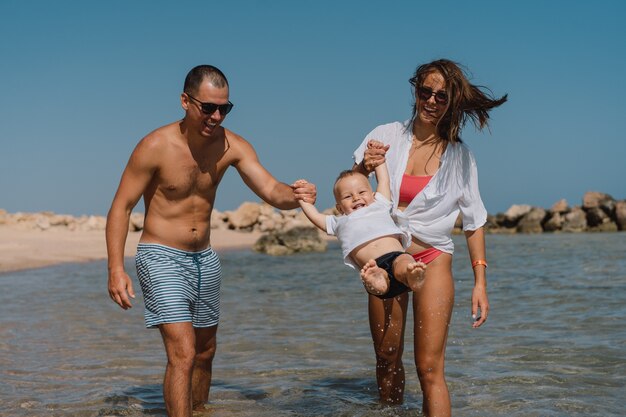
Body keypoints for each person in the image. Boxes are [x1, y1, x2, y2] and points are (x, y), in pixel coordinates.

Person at [105, 65, 316, 417]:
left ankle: (198, 410)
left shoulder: (232, 146)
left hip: (204, 259)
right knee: (183, 352)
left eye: (224, 108)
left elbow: (270, 189)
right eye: (208, 107)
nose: (216, 116)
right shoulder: (155, 146)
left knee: (205, 351)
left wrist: (297, 194)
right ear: (185, 101)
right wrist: (115, 267)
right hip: (160, 256)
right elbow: (121, 207)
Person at [352, 59, 507, 416]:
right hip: (386, 258)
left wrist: (480, 282)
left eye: (441, 95)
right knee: (387, 356)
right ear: (415, 91)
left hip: (433, 260)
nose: (432, 101)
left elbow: (474, 222)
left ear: (451, 102)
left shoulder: (461, 158)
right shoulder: (386, 136)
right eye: (426, 92)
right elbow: (351, 190)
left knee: (430, 368)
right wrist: (365, 166)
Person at [296, 140, 427, 297]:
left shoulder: (380, 204)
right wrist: (302, 197)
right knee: (378, 277)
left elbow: (384, 181)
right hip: (372, 267)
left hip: (396, 257)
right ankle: (378, 282)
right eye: (347, 196)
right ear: (339, 208)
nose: (356, 198)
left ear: (372, 195)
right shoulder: (339, 222)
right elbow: (315, 216)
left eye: (361, 192)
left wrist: (379, 158)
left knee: (404, 262)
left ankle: (411, 276)